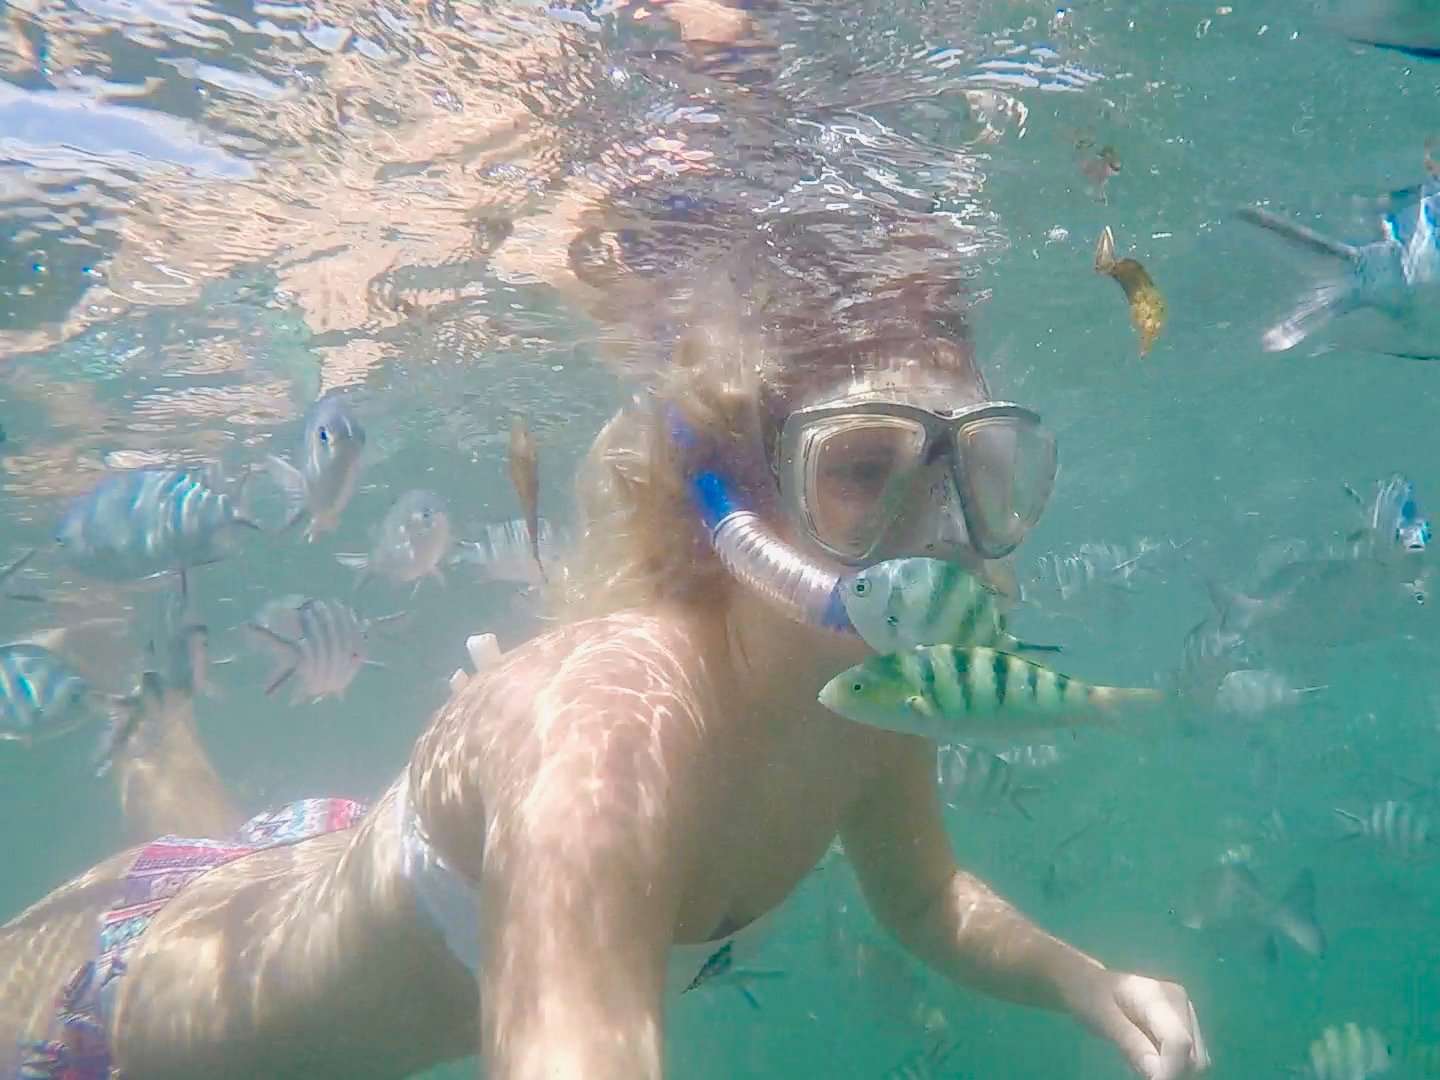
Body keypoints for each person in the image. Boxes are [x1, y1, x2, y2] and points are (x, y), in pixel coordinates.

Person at [0, 234, 1210, 1079]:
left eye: (977, 474)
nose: (935, 533)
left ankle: (151, 716)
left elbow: (929, 898)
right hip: (97, 1023)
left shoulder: (867, 698)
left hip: (311, 868)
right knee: (182, 885)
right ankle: (111, 660)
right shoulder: (600, 731)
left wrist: (1079, 982)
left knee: (213, 855)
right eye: (862, 470)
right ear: (726, 500)